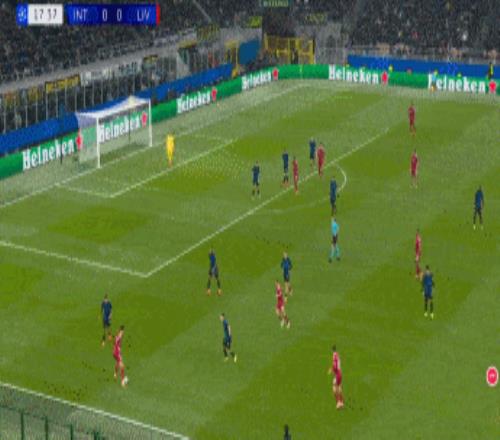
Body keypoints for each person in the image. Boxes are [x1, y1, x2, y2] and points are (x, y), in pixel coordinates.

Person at [327, 345, 344, 409]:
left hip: (337, 375)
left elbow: (335, 366)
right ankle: (342, 402)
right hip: (340, 374)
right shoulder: (337, 355)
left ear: (332, 350)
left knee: (334, 388)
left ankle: (338, 403)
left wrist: (331, 370)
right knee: (339, 387)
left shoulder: (334, 356)